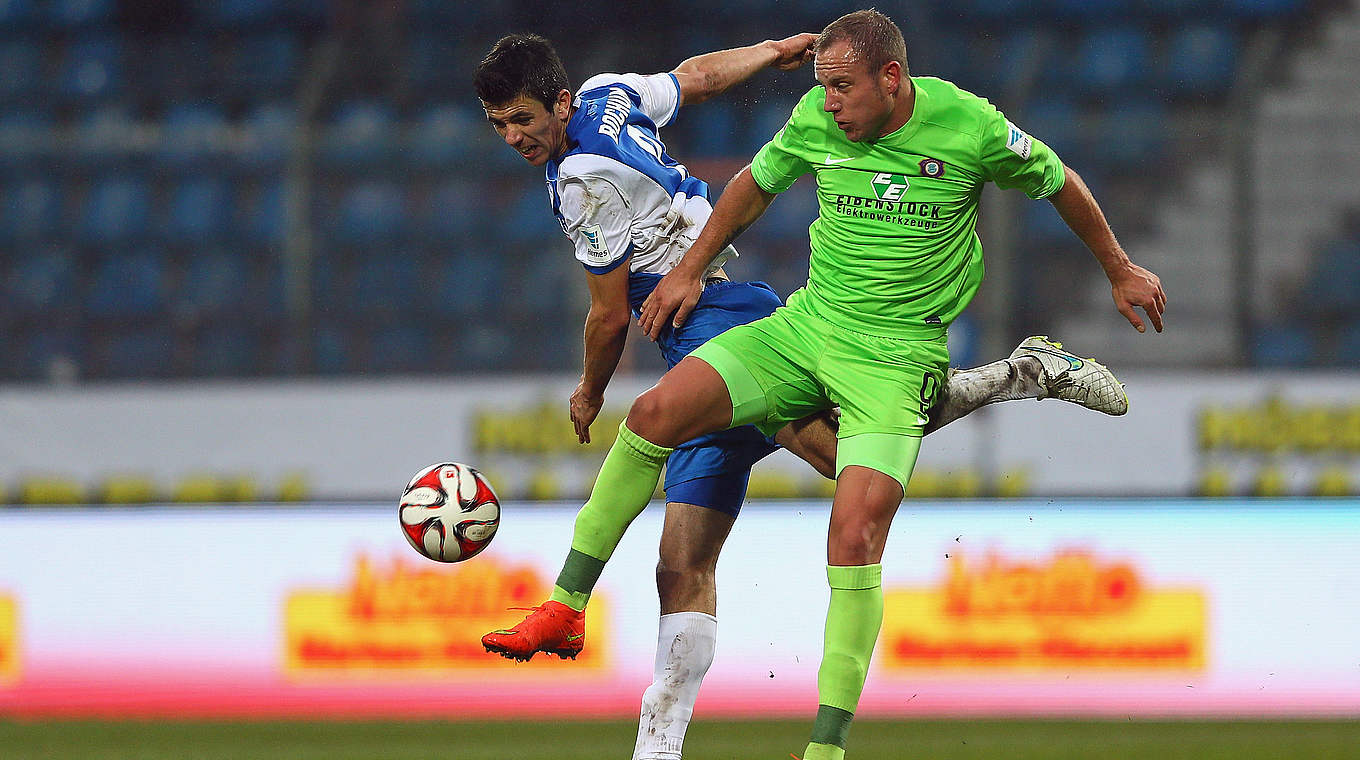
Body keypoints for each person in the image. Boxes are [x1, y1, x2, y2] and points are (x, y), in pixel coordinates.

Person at [472, 27, 1141, 760]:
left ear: (890, 77)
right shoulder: (625, 97)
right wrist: (765, 56)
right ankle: (613, 682)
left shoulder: (583, 183)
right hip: (787, 325)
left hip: (810, 333)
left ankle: (825, 746)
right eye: (499, 124)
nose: (512, 137)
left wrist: (1118, 268)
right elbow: (710, 108)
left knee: (842, 501)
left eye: (523, 120)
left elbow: (607, 315)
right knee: (676, 526)